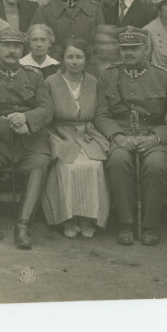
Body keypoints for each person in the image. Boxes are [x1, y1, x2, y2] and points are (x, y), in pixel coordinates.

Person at [95, 27, 167, 246]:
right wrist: (116, 136)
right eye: (125, 49)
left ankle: (150, 225)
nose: (129, 53)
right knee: (117, 160)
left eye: (135, 48)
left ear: (146, 48)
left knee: (155, 165)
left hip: (155, 138)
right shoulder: (108, 75)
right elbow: (102, 114)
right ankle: (125, 223)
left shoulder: (165, 76)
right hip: (121, 135)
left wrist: (155, 137)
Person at [0, 29, 53, 249]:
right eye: (7, 46)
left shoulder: (35, 76)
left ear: (23, 49)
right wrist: (11, 125)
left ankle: (23, 225)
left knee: (39, 163)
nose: (12, 51)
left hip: (30, 136)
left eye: (17, 46)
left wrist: (26, 120)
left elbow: (46, 108)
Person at [41, 38, 110, 239]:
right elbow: (46, 113)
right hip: (60, 134)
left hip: (88, 134)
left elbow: (99, 113)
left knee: (94, 165)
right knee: (67, 166)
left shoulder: (93, 82)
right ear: (62, 59)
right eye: (70, 57)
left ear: (86, 59)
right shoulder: (51, 82)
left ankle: (88, 218)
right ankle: (68, 218)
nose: (74, 61)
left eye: (79, 57)